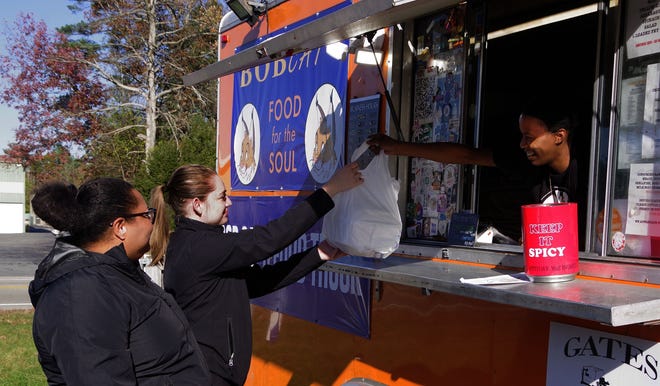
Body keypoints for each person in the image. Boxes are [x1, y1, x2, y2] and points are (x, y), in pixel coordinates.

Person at [149, 163, 363, 386]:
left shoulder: (194, 244)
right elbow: (268, 240)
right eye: (222, 197)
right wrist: (330, 191)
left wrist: (318, 254)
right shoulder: (200, 247)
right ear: (197, 205)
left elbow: (260, 282)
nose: (229, 202)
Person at [28, 178, 211, 385]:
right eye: (146, 215)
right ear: (120, 227)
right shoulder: (82, 292)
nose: (152, 222)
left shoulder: (118, 273)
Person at [368, 98, 582, 241]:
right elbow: (466, 155)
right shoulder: (524, 162)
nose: (522, 145)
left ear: (559, 136)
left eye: (529, 138)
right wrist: (397, 147)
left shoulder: (590, 176)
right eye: (521, 136)